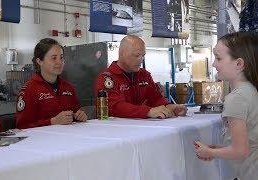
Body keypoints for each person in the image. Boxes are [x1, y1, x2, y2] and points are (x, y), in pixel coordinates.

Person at [194, 32, 258, 180]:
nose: (214, 64)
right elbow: (249, 140)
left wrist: (210, 153)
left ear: (239, 64)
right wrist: (221, 149)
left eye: (218, 58)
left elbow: (240, 151)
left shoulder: (236, 98)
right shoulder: (250, 90)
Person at [94, 35, 186, 119]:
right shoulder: (106, 78)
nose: (141, 60)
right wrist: (147, 111)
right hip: (116, 130)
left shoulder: (144, 75)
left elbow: (156, 98)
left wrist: (169, 106)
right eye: (136, 55)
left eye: (143, 56)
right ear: (122, 53)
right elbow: (113, 106)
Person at [16, 38, 87, 129]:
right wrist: (52, 122)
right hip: (42, 141)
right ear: (39, 61)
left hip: (68, 139)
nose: (59, 62)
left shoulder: (68, 87)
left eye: (61, 57)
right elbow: (22, 126)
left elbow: (76, 114)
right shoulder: (29, 90)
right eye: (54, 58)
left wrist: (80, 116)